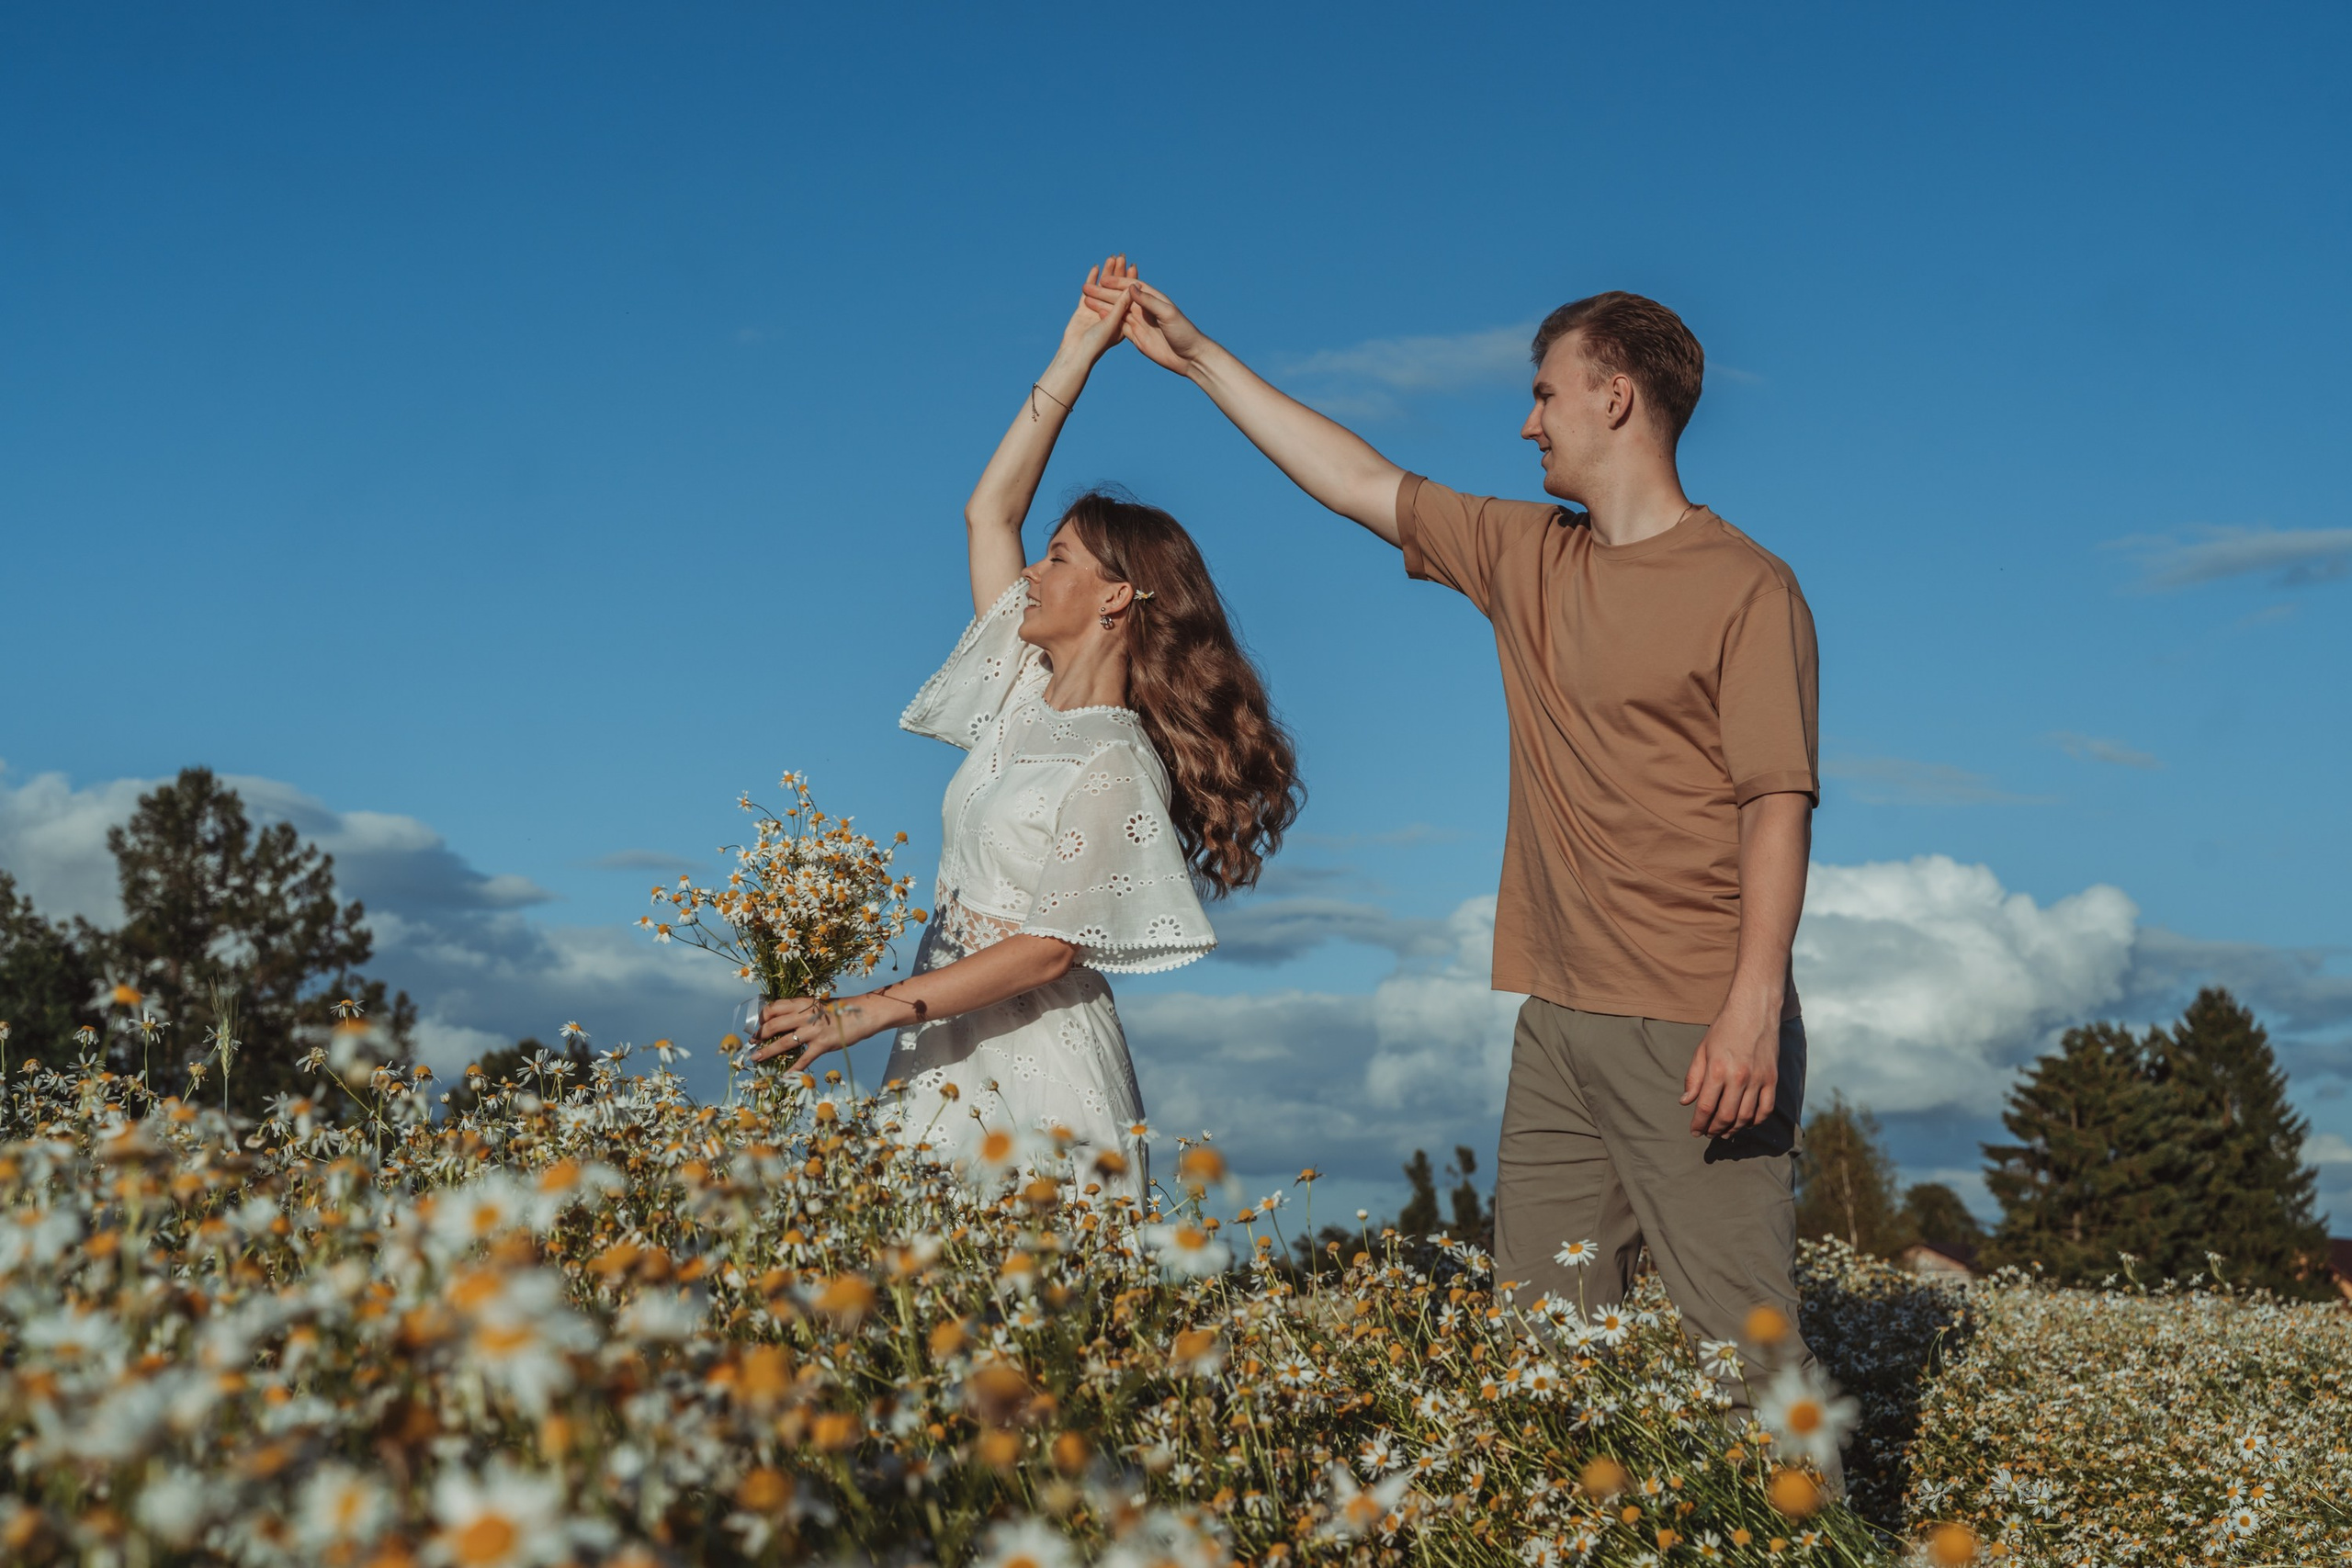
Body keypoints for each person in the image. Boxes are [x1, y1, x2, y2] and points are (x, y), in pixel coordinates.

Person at [1091, 267, 1833, 1478]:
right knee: (1539, 1358)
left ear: (1615, 398)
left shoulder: (1748, 587)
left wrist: (1752, 1006)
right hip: (1558, 1021)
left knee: (1750, 1368)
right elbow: (1358, 481)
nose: (1528, 422)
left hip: (1698, 1022)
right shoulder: (1524, 552)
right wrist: (1198, 356)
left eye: (1545, 394)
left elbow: (1775, 802)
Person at [750, 263, 1301, 1202]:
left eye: (1057, 558)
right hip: (938, 1044)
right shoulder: (1018, 689)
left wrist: (867, 1012)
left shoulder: (1115, 759)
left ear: (1116, 596)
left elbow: (1052, 947)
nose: (1032, 575)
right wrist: (1078, 348)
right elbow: (987, 510)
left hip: (1039, 1067)